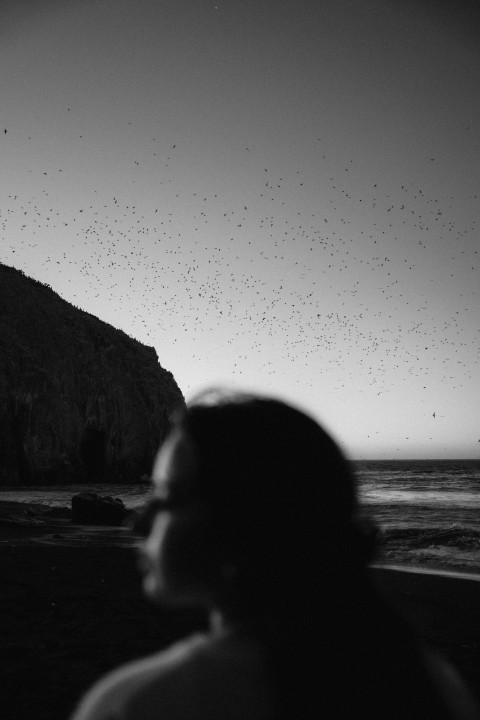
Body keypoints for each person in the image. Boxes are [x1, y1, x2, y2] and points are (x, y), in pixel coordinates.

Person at [70, 388, 479, 720]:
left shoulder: (138, 704)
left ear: (241, 521)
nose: (137, 523)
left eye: (167, 497)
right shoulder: (422, 681)